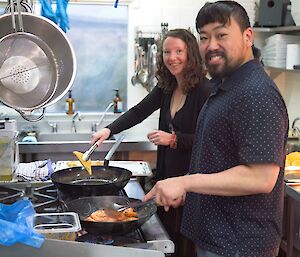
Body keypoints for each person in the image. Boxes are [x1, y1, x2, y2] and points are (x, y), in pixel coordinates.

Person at [144, 2, 289, 257]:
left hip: (240, 245)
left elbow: (261, 177)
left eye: (221, 35)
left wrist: (186, 182)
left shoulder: (255, 92)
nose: (211, 45)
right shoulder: (226, 87)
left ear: (247, 36)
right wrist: (189, 191)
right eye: (204, 37)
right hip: (219, 239)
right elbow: (220, 159)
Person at [91, 29, 211, 257]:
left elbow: (209, 141)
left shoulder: (204, 91)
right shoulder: (167, 87)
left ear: (191, 54)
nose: (172, 57)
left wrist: (174, 139)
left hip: (190, 185)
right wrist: (108, 130)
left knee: (184, 247)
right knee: (167, 242)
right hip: (166, 181)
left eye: (178, 51)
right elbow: (138, 112)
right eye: (167, 52)